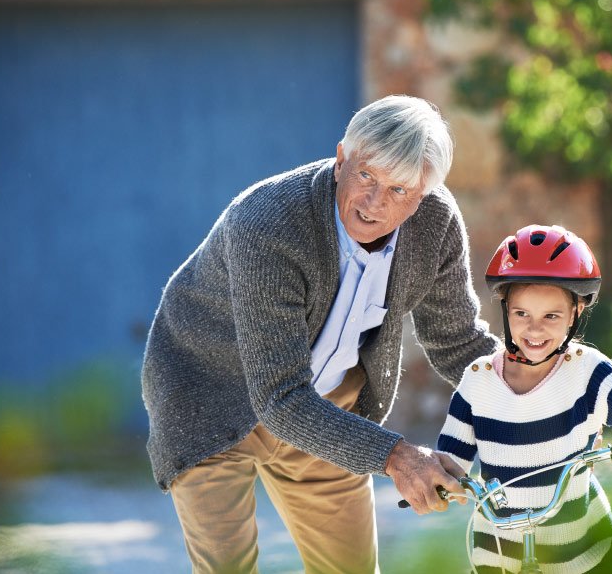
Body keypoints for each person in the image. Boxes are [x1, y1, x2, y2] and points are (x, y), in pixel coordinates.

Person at [141, 95, 499, 573]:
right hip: (210, 392)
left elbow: (459, 342)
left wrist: (559, 393)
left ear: (421, 197)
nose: (374, 203)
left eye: (397, 190)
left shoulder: (434, 222)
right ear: (340, 160)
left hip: (324, 409)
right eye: (366, 176)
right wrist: (396, 456)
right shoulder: (268, 222)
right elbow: (281, 398)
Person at [437, 224, 612, 574]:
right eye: (522, 314)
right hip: (498, 555)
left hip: (583, 554)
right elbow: (449, 463)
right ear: (505, 310)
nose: (534, 329)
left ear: (575, 315)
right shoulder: (478, 380)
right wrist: (439, 483)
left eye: (551, 316)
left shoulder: (585, 372)